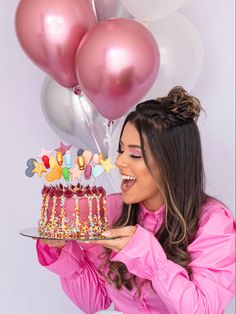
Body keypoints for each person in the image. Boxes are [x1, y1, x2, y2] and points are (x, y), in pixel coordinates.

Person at [36, 87, 235, 314]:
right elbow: (95, 300)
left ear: (171, 163)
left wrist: (149, 258)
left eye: (135, 154)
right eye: (120, 150)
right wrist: (62, 251)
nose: (119, 162)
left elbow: (203, 310)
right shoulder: (110, 210)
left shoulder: (213, 223)